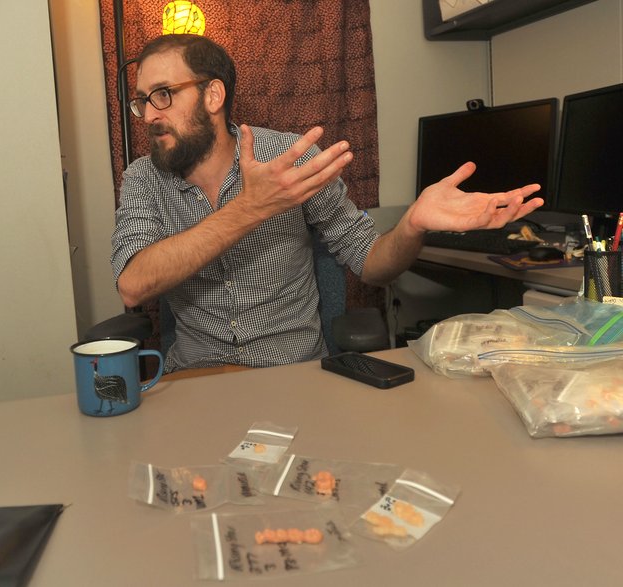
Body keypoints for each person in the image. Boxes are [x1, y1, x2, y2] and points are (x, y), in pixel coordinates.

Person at [111, 34, 543, 373]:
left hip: (293, 375)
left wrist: (413, 224)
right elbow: (133, 284)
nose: (149, 115)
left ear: (213, 96)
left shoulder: (292, 160)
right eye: (142, 101)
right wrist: (250, 208)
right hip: (196, 380)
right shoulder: (143, 178)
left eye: (163, 94)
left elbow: (372, 262)